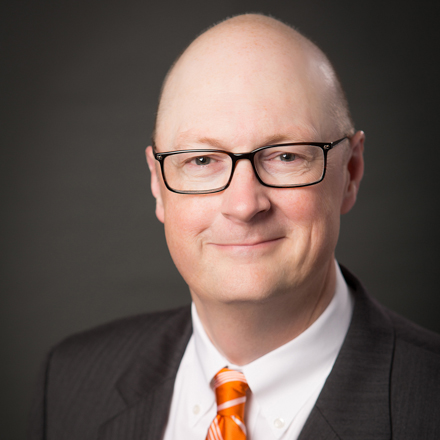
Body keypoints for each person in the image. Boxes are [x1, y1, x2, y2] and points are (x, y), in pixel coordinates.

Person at [28, 13, 440, 440]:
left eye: (286, 156)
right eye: (202, 160)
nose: (244, 205)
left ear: (350, 172)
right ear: (157, 184)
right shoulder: (69, 382)